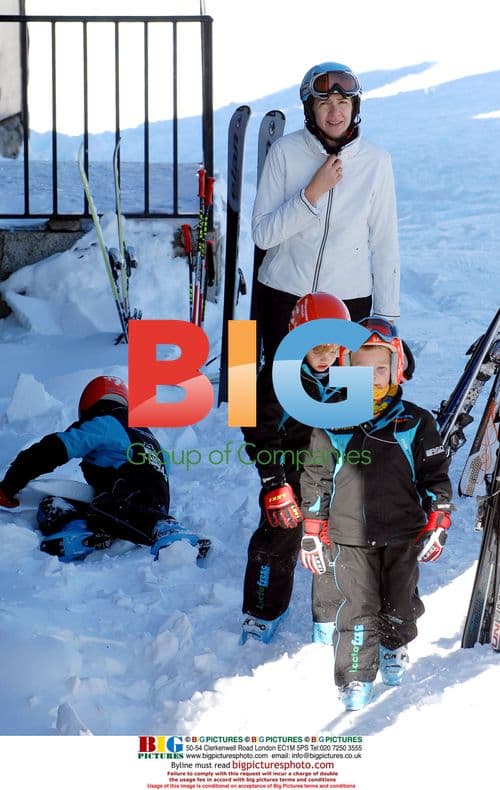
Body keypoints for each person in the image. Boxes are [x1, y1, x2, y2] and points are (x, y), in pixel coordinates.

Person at [299, 318, 453, 711]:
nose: (371, 377)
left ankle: (394, 645)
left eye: (380, 368)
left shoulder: (416, 422)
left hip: (403, 534)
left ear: (397, 368)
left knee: (400, 604)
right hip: (350, 537)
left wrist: (439, 517)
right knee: (358, 608)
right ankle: (354, 676)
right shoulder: (331, 422)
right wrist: (313, 529)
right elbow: (316, 477)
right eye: (360, 369)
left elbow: (434, 476)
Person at [252, 62, 400, 364]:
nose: (335, 113)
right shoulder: (283, 152)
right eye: (325, 103)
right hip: (285, 297)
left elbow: (385, 242)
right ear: (310, 108)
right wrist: (311, 194)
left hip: (349, 302)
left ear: (354, 105)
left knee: (347, 404)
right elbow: (262, 235)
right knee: (280, 403)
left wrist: (386, 317)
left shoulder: (376, 161)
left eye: (343, 102)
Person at [0, 375, 209, 563]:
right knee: (53, 503)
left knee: (104, 505)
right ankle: (83, 532)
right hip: (146, 503)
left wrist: (11, 483)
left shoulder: (104, 423)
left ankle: (169, 531)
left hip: (127, 500)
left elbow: (54, 448)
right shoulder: (149, 437)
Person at [240, 291, 350, 644]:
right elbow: (259, 431)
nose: (327, 357)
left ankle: (331, 614)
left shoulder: (344, 373)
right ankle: (262, 609)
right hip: (289, 475)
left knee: (336, 541)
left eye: (334, 349)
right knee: (277, 539)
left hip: (330, 472)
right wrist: (274, 483)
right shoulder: (279, 377)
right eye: (318, 349)